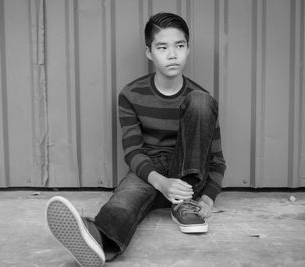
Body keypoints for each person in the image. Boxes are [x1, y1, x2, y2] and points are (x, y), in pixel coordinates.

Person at [45, 12, 226, 267]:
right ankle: (100, 242)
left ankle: (184, 205)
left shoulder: (201, 98)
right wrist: (160, 182)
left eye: (179, 46)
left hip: (187, 179)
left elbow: (216, 159)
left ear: (188, 48)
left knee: (200, 100)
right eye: (162, 47)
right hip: (149, 172)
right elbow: (133, 151)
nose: (172, 54)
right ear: (149, 53)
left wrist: (207, 196)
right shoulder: (131, 94)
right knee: (124, 201)